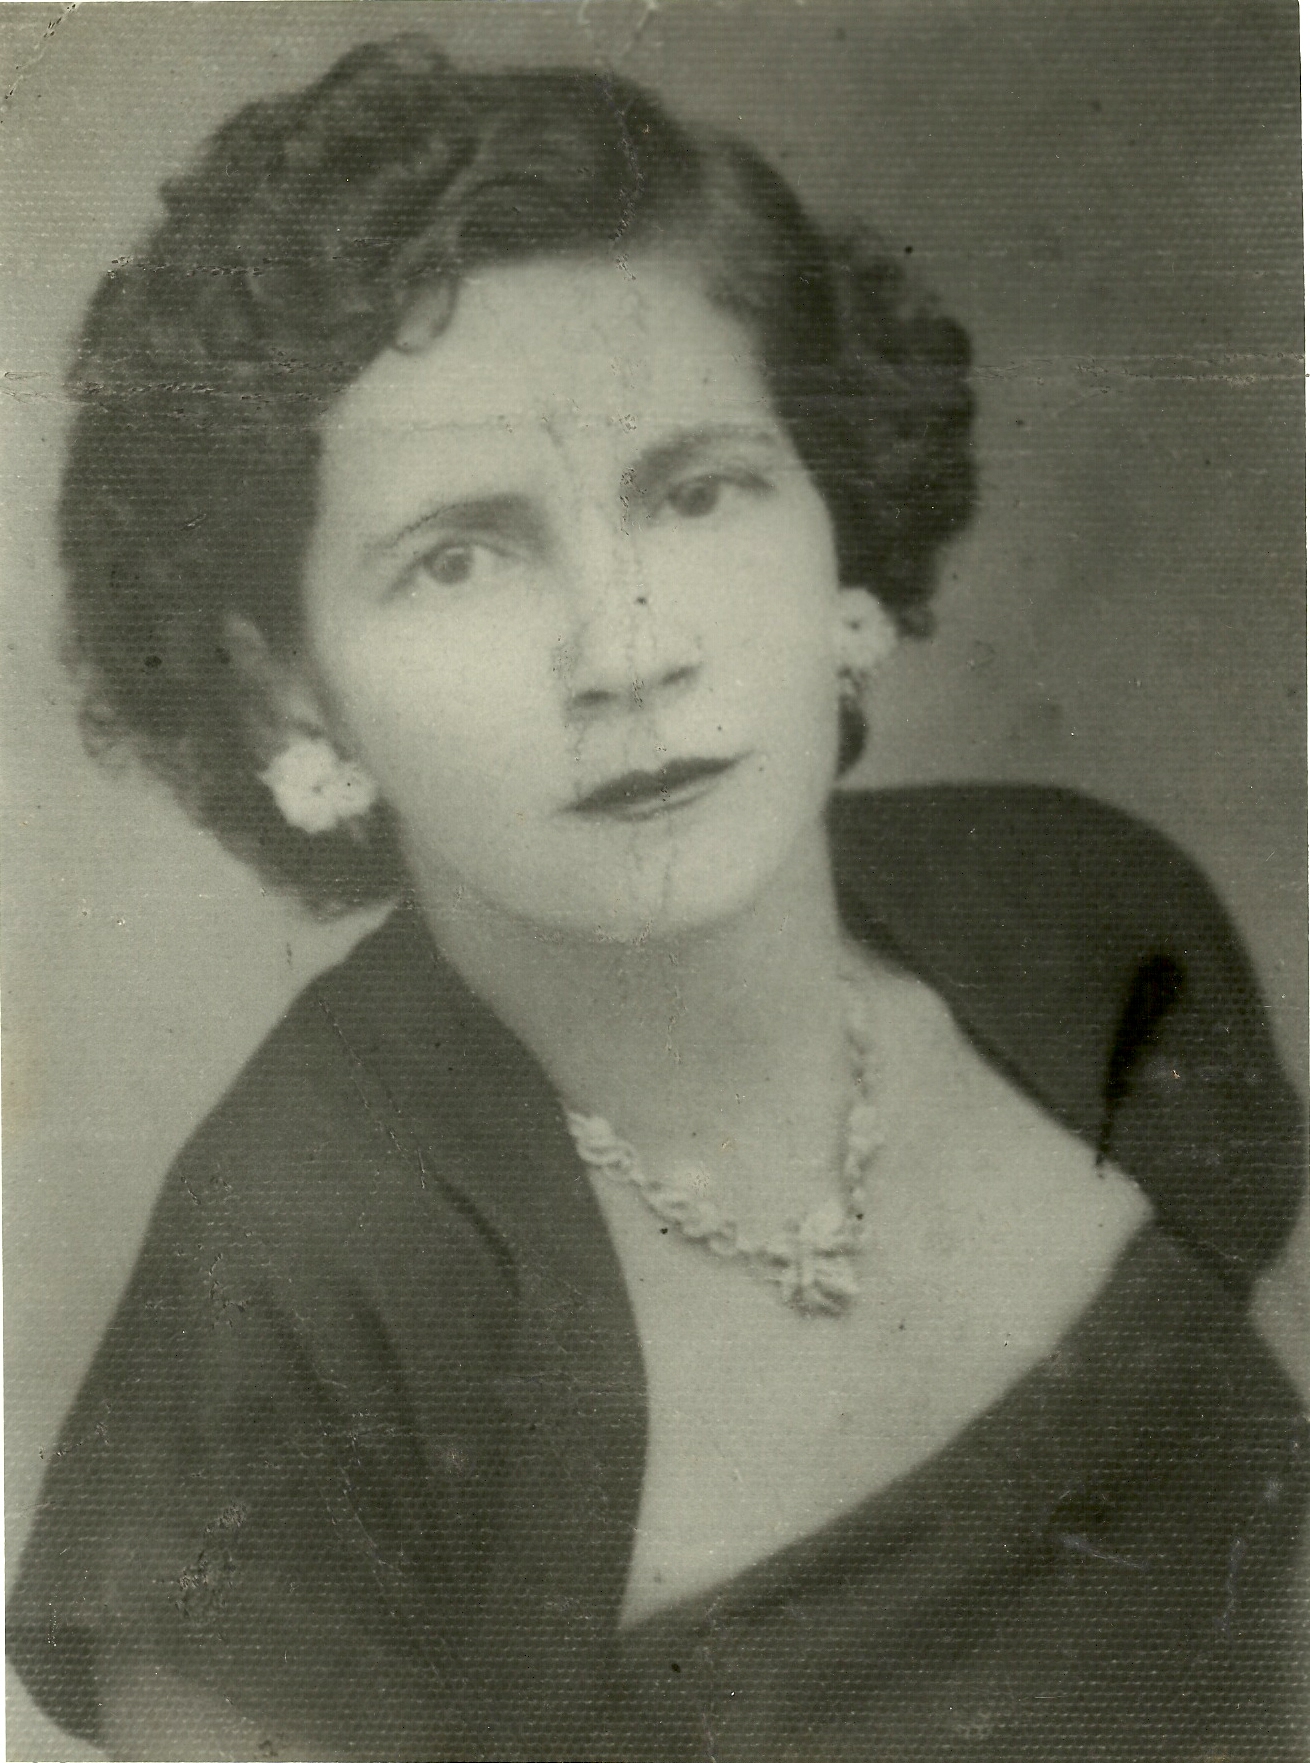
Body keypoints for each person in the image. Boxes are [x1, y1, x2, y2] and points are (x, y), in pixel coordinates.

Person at [7, 35, 1305, 1763]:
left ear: (833, 520)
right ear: (286, 695)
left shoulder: (1088, 925)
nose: (626, 650)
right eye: (459, 555)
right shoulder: (293, 1292)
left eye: (696, 490)